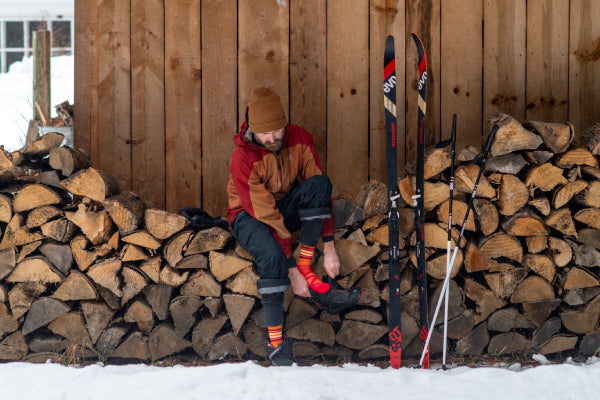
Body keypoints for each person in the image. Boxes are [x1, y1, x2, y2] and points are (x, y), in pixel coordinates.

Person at [227, 87, 361, 366]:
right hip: (248, 215)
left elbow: (320, 192)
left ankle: (305, 265)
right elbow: (266, 216)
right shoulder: (242, 159)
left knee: (320, 184)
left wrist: (329, 245)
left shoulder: (299, 138)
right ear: (253, 129)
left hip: (283, 208)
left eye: (278, 130)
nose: (274, 138)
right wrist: (290, 269)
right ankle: (276, 343)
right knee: (272, 256)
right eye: (266, 133)